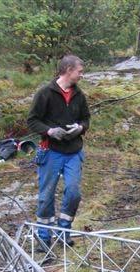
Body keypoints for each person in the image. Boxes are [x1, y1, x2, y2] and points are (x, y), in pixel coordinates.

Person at [27, 55, 90, 249]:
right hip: (51, 151)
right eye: (79, 71)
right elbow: (32, 120)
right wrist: (50, 131)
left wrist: (80, 128)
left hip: (73, 151)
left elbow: (86, 119)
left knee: (73, 193)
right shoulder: (45, 93)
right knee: (46, 195)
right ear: (68, 70)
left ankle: (64, 232)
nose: (82, 75)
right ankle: (43, 237)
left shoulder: (79, 95)